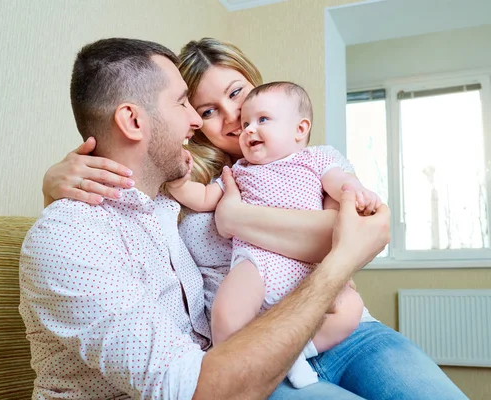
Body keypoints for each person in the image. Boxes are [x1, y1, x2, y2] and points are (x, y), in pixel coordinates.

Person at [41, 38, 467, 399]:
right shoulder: (180, 178)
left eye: (236, 93)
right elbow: (113, 212)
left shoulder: (309, 160)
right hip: (253, 348)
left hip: (342, 329)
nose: (229, 118)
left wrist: (235, 217)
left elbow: (345, 237)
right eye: (203, 109)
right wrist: (52, 186)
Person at [167, 81, 382, 388]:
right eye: (246, 124)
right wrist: (177, 183)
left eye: (261, 120)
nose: (246, 129)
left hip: (310, 273)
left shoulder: (317, 159)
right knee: (227, 313)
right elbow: (203, 198)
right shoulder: (238, 170)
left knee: (349, 309)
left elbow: (341, 187)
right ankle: (239, 366)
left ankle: (295, 354)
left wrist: (359, 193)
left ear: (300, 129)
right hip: (256, 262)